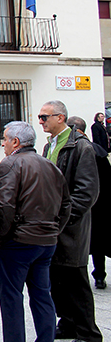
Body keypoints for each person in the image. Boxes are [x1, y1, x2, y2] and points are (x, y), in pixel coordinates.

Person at [0, 121, 71, 342]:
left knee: (12, 299)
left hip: (18, 243)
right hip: (45, 242)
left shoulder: (11, 164)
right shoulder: (50, 166)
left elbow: (3, 206)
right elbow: (66, 205)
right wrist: (53, 230)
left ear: (16, 142)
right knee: (42, 296)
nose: (2, 144)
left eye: (5, 139)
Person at [39, 102, 102, 342]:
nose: (41, 121)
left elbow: (87, 193)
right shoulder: (49, 145)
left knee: (76, 282)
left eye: (45, 116)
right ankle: (68, 323)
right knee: (59, 280)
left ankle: (89, 337)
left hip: (71, 228)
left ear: (60, 117)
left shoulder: (80, 146)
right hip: (53, 226)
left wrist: (64, 219)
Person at [68, 118, 111, 291]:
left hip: (86, 204)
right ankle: (99, 275)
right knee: (99, 241)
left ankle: (96, 275)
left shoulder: (79, 149)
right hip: (101, 204)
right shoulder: (98, 151)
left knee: (90, 241)